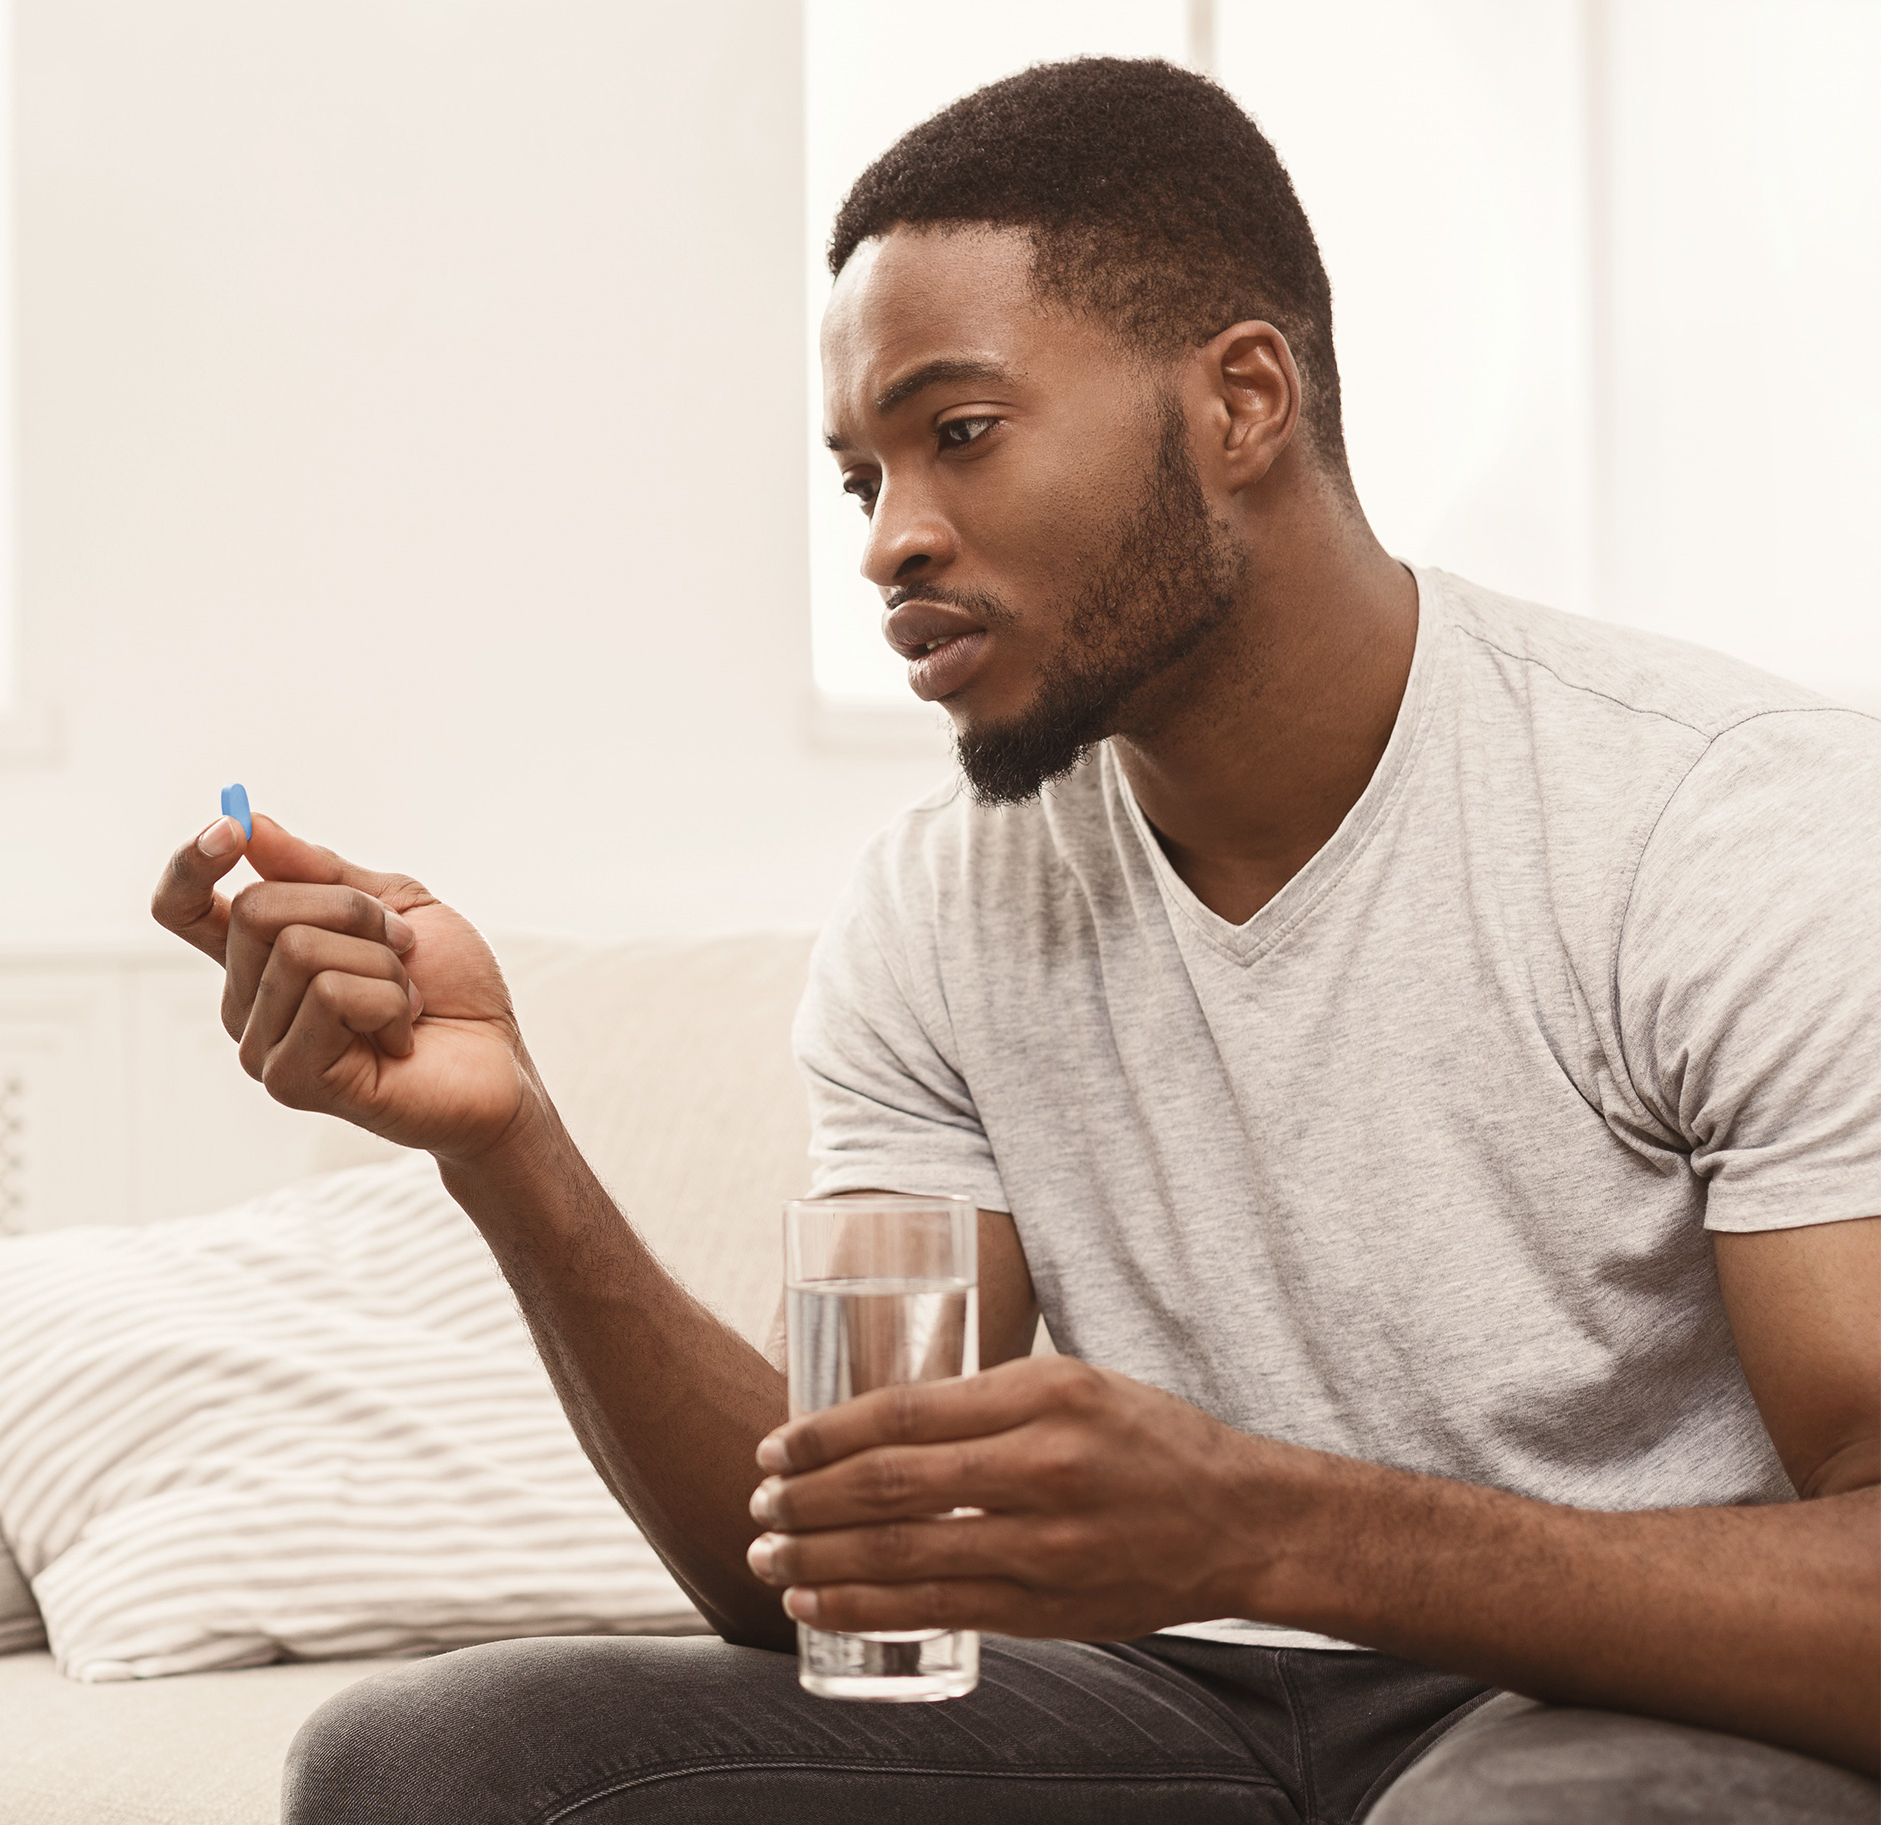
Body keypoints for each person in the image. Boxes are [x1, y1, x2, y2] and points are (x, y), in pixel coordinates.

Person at [148, 56, 1881, 1823]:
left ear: (1243, 401)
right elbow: (834, 1571)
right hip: (1172, 1700)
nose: (894, 538)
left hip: (1612, 1695)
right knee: (430, 1765)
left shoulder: (1716, 820)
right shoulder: (941, 906)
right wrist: (508, 1143)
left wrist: (1272, 1523)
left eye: (957, 432)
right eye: (861, 478)